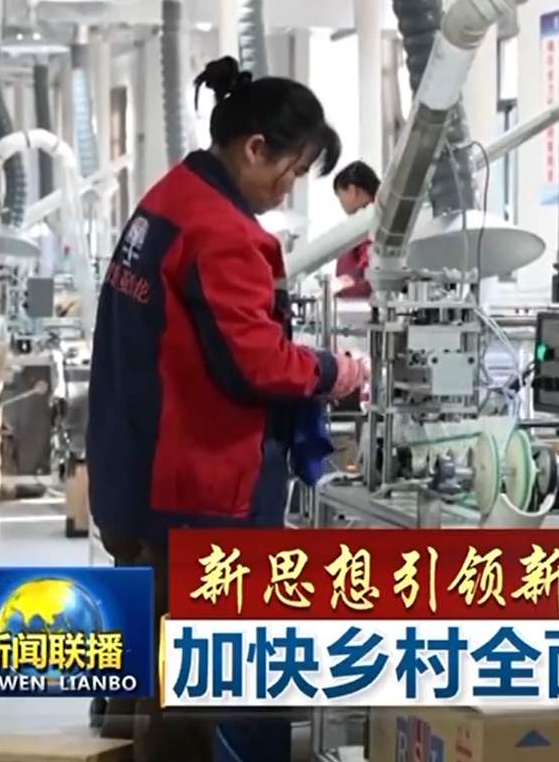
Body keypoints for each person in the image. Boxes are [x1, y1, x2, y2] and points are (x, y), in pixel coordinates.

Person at [88, 57, 367, 762]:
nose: (288, 187)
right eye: (290, 170)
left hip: (135, 479)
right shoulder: (222, 231)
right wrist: (336, 371)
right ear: (255, 148)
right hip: (199, 492)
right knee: (215, 694)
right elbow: (257, 363)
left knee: (155, 684)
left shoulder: (166, 201)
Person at [331, 160, 380, 300]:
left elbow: (369, 279)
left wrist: (337, 287)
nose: (341, 204)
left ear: (352, 191)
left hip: (362, 304)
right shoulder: (371, 220)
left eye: (340, 196)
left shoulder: (368, 225)